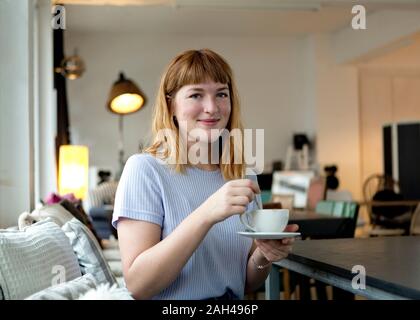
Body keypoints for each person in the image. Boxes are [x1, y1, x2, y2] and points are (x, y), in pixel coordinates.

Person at [112, 48, 298, 300]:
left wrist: (264, 255)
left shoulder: (243, 175)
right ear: (171, 105)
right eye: (196, 95)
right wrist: (206, 213)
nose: (211, 108)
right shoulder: (144, 170)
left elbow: (245, 283)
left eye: (221, 94)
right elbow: (138, 286)